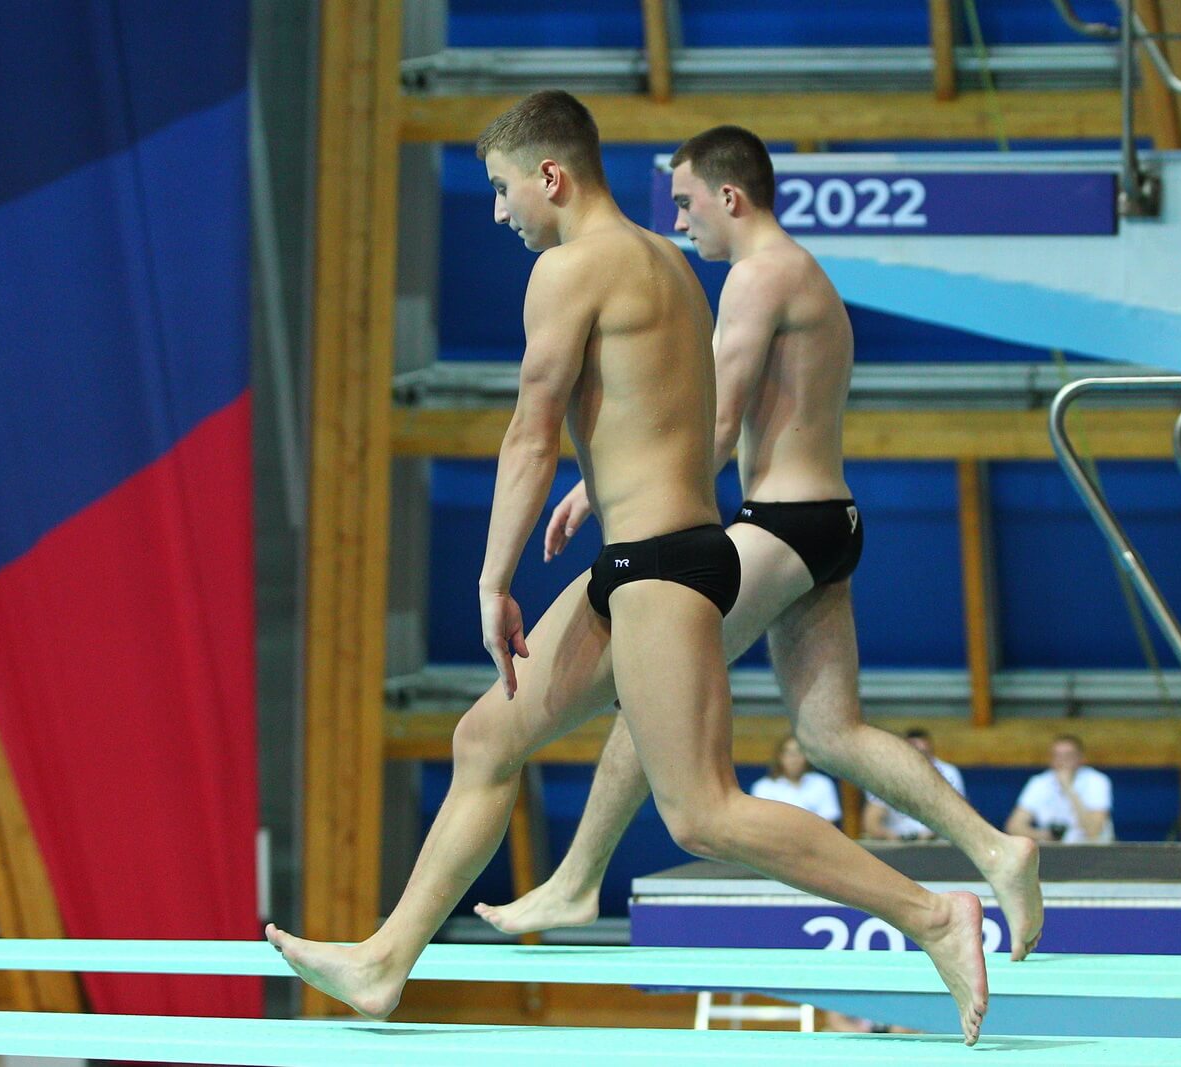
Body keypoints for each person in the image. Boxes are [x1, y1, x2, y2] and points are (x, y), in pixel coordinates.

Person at [265, 92, 989, 1046]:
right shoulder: (668, 264)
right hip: (646, 560)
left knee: (703, 813)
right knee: (486, 740)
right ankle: (386, 959)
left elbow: (530, 438)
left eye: (501, 189)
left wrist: (491, 581)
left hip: (664, 571)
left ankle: (934, 914)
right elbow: (667, 424)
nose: (498, 212)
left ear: (551, 177)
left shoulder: (570, 270)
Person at [473, 124, 1043, 967]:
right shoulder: (805, 272)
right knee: (832, 733)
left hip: (778, 526)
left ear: (729, 198)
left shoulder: (755, 278)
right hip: (828, 524)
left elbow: (715, 423)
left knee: (652, 673)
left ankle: (577, 877)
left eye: (685, 204)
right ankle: (998, 850)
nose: (679, 224)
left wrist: (600, 492)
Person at [1006, 735, 1115, 844]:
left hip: (1092, 850)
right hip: (1052, 851)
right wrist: (1045, 835)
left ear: (1081, 758)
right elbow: (1014, 827)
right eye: (1057, 756)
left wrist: (1068, 788)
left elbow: (1093, 831)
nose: (1062, 761)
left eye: (1068, 756)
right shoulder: (1039, 782)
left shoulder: (1097, 781)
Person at [863, 728, 967, 841]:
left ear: (931, 753)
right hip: (897, 843)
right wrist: (890, 836)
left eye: (924, 754)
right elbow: (871, 822)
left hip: (937, 842)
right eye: (914, 753)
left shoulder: (948, 773)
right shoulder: (887, 775)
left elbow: (959, 816)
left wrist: (933, 833)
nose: (919, 759)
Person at [751, 735, 842, 823]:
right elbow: (763, 824)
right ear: (780, 757)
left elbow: (829, 821)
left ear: (807, 756)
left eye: (799, 752)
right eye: (789, 753)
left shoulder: (822, 783)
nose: (794, 759)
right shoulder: (763, 787)